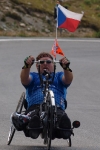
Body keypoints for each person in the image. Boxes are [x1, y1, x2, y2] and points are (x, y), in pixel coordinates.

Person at [11, 52, 73, 139]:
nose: (45, 64)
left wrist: (66, 68)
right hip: (35, 107)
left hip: (56, 107)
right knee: (33, 116)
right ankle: (33, 128)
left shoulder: (58, 76)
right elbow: (24, 79)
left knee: (60, 117)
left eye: (48, 62)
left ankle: (64, 129)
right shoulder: (33, 76)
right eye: (41, 62)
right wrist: (27, 66)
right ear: (37, 65)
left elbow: (67, 80)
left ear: (54, 64)